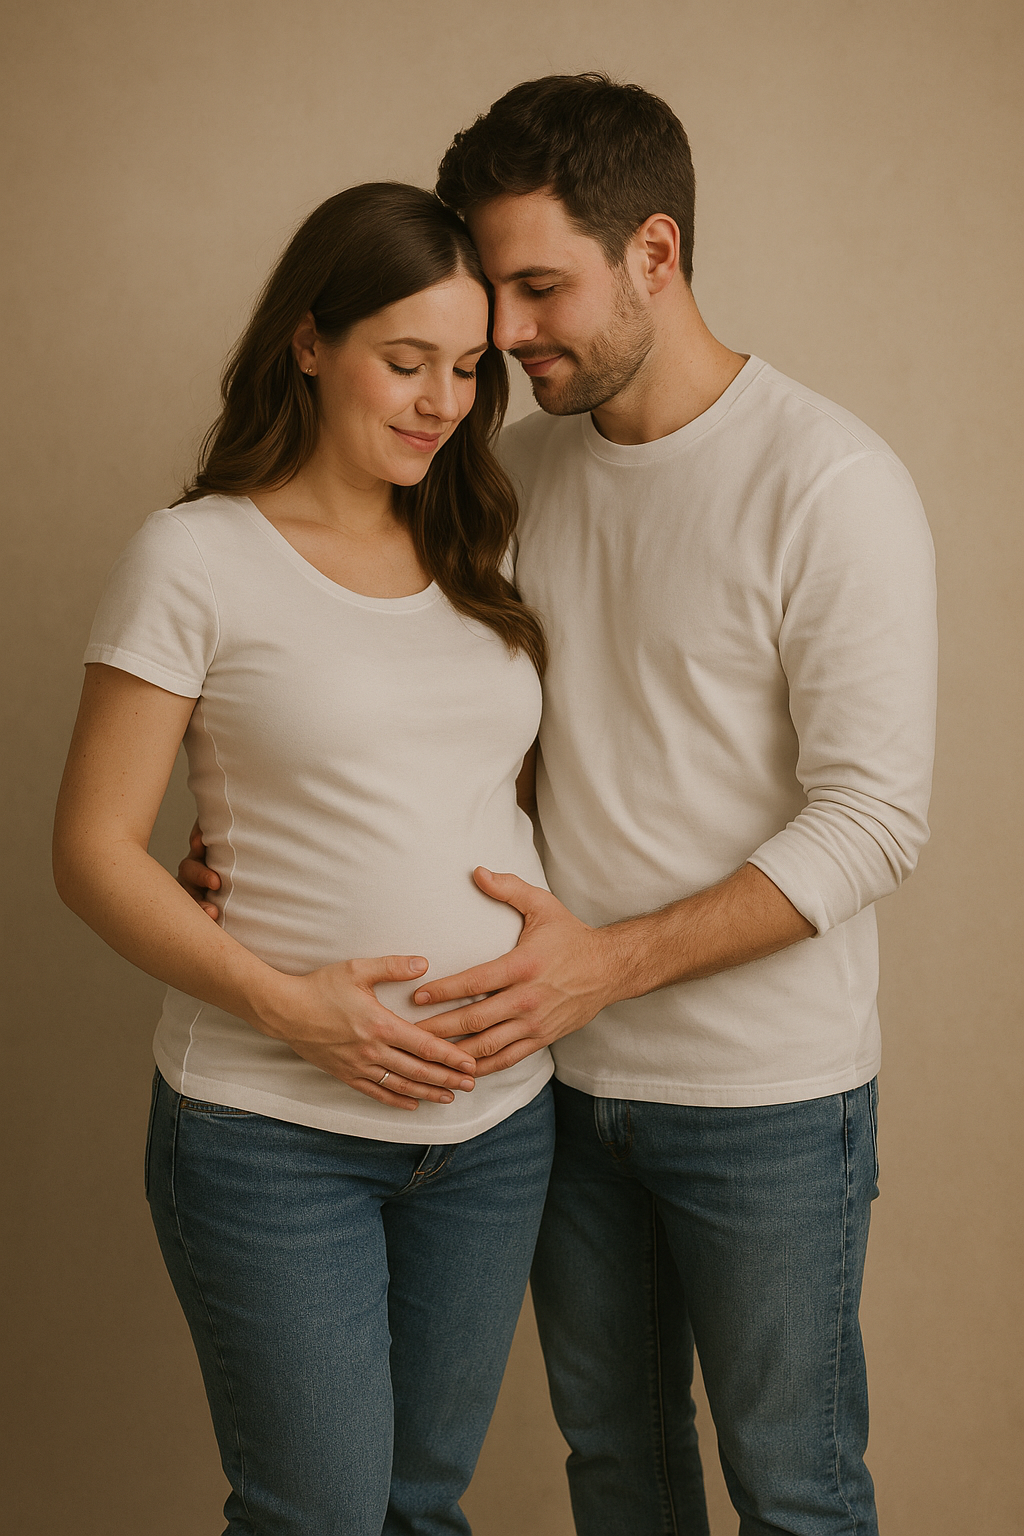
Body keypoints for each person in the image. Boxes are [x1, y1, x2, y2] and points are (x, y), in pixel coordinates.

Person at [407, 75, 936, 1535]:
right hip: (560, 1094)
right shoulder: (518, 473)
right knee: (621, 1475)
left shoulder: (829, 479)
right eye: (494, 291)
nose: (508, 333)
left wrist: (606, 968)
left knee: (796, 1494)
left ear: (655, 250)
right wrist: (245, 849)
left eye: (541, 287)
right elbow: (455, 732)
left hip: (772, 1101)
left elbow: (875, 819)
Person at [52, 182, 557, 1536]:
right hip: (274, 1130)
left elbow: (454, 796)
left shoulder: (476, 542)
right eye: (407, 361)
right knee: (317, 1517)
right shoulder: (195, 557)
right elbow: (90, 852)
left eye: (468, 368)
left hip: (497, 1124)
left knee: (421, 1507)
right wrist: (290, 1005)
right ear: (311, 341)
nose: (442, 402)